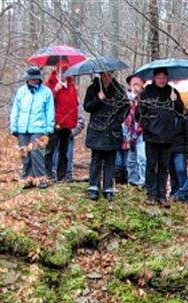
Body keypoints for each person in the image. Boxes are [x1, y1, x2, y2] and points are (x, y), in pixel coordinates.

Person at [136, 68, 185, 206]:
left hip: (168, 136)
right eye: (159, 77)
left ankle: (161, 195)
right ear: (154, 78)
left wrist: (175, 101)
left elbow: (181, 112)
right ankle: (151, 194)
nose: (162, 80)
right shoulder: (146, 93)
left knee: (164, 167)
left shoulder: (172, 92)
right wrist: (148, 126)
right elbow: (139, 115)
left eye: (164, 77)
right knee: (151, 165)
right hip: (151, 136)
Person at [83, 70, 130, 201]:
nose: (107, 78)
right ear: (100, 75)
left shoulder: (119, 90)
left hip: (112, 129)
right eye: (104, 75)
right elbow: (87, 107)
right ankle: (93, 186)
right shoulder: (93, 89)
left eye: (109, 75)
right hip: (97, 128)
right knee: (96, 159)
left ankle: (108, 187)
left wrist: (117, 120)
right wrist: (98, 98)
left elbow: (126, 107)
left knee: (110, 160)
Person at [9, 66, 55, 189]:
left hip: (39, 127)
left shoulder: (46, 92)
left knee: (37, 153)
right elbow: (16, 110)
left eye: (35, 79)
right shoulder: (21, 91)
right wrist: (13, 126)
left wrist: (49, 128)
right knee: (25, 154)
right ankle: (27, 179)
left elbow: (49, 111)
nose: (33, 81)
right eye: (31, 79)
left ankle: (40, 179)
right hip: (22, 128)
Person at [44, 62, 78, 181]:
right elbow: (45, 103)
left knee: (64, 151)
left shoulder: (72, 85)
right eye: (62, 71)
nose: (64, 74)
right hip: (54, 123)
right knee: (50, 150)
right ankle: (47, 174)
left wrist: (74, 122)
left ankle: (62, 175)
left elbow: (74, 105)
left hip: (67, 123)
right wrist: (55, 91)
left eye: (66, 72)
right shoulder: (50, 84)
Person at [123, 75, 147, 187]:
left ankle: (143, 181)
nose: (136, 86)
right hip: (129, 130)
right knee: (130, 159)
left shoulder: (145, 98)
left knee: (142, 158)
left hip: (141, 131)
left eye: (138, 83)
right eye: (133, 83)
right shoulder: (126, 97)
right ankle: (132, 180)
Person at [169, 108, 188, 197]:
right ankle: (174, 191)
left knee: (180, 170)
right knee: (172, 172)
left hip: (181, 150)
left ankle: (184, 193)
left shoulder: (187, 119)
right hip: (170, 148)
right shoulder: (171, 117)